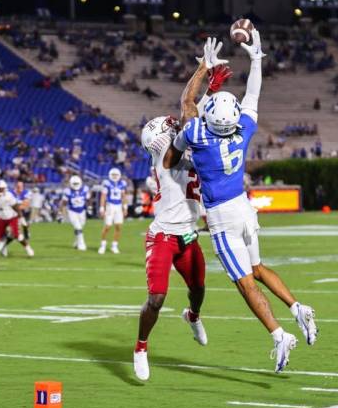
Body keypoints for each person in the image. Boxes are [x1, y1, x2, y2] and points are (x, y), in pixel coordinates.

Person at [173, 29, 317, 373]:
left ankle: (279, 334)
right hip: (244, 207)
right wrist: (255, 58)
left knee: (244, 283)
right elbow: (252, 92)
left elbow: (187, 104)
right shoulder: (245, 128)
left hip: (222, 217)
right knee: (257, 268)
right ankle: (298, 308)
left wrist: (204, 70)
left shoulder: (198, 134)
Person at [133, 38, 231, 381]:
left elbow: (194, 115)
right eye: (167, 125)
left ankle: (192, 315)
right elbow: (188, 106)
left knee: (199, 290)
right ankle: (141, 346)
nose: (172, 123)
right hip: (163, 235)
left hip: (189, 235)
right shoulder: (164, 152)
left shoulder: (185, 140)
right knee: (157, 297)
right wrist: (204, 70)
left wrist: (212, 87)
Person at [0, 180, 34, 258]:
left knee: (16, 234)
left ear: (5, 189)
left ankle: (28, 248)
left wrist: (22, 218)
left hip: (12, 216)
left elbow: (16, 208)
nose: (0, 190)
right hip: (2, 217)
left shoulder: (8, 196)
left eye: (1, 188)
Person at [98, 168, 127, 254]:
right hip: (110, 206)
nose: (114, 176)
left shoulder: (122, 183)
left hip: (118, 207)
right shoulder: (107, 183)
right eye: (113, 175)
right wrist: (102, 208)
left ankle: (114, 246)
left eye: (116, 175)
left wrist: (125, 207)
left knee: (118, 227)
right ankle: (103, 245)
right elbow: (103, 196)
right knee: (107, 226)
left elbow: (123, 196)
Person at [60, 175, 89, 251]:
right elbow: (64, 203)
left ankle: (76, 242)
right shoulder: (67, 191)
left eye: (77, 183)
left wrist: (89, 208)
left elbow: (88, 199)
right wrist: (61, 214)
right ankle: (81, 245)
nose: (76, 185)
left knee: (80, 227)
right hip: (72, 211)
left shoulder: (85, 189)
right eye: (74, 184)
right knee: (78, 227)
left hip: (82, 211)